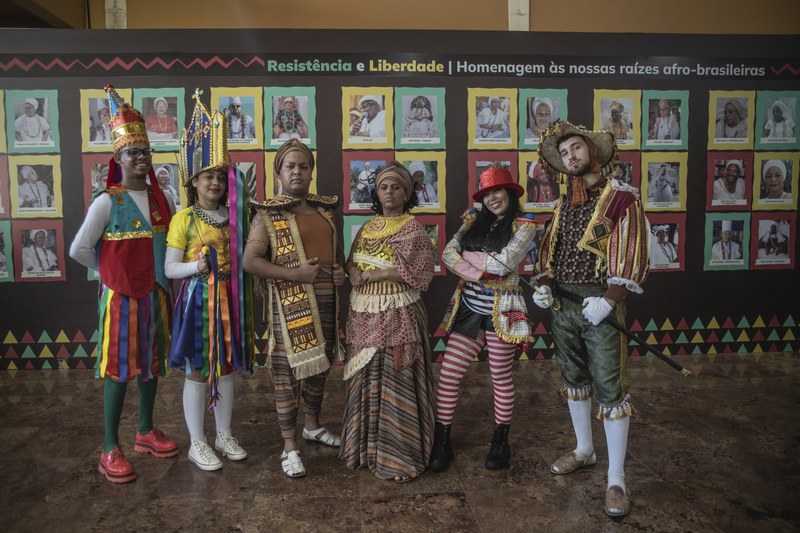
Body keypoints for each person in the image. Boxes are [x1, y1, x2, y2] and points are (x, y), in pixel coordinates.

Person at [532, 121, 649, 517]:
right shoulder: (564, 203)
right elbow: (553, 251)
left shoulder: (621, 199)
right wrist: (545, 284)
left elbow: (631, 252)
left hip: (599, 306)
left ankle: (616, 478)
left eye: (576, 149)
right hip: (563, 308)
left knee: (611, 389)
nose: (570, 157)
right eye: (564, 154)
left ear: (593, 153)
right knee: (573, 378)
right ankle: (584, 450)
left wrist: (609, 299)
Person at [69, 85, 177, 483]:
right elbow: (80, 249)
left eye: (145, 153)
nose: (141, 159)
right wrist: (108, 276)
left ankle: (145, 430)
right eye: (133, 153)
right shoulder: (106, 202)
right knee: (118, 371)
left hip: (156, 296)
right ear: (119, 157)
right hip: (122, 299)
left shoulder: (159, 200)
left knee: (151, 368)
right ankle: (109, 446)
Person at [242, 139, 345, 478]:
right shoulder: (268, 214)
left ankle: (312, 426)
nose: (297, 171)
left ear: (311, 172)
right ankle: (289, 446)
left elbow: (331, 257)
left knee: (320, 368)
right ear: (279, 173)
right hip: (289, 311)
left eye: (304, 166)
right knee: (288, 376)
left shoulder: (325, 211)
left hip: (327, 305)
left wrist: (340, 271)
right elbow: (250, 261)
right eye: (291, 166)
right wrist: (294, 274)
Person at [166, 91, 255, 472]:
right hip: (198, 301)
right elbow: (170, 268)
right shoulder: (183, 219)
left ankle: (224, 433)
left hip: (229, 298)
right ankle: (197, 442)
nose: (215, 182)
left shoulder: (236, 217)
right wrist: (197, 269)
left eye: (220, 175)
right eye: (207, 176)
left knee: (228, 365)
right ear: (194, 180)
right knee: (198, 369)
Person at [429, 166, 537, 473]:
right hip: (468, 308)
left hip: (503, 309)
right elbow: (448, 254)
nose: (492, 199)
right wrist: (480, 269)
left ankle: (501, 441)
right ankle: (442, 441)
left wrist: (471, 259)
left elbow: (506, 263)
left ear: (511, 193)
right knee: (449, 373)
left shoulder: (524, 225)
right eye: (487, 194)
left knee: (500, 375)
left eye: (498, 192)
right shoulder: (473, 221)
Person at [339, 162, 435, 482]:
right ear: (375, 193)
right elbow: (352, 260)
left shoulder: (413, 228)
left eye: (396, 187)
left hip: (398, 310)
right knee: (365, 377)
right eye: (384, 187)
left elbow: (420, 271)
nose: (389, 192)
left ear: (407, 193)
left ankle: (398, 455)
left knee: (397, 378)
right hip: (364, 310)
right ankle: (364, 449)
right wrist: (353, 271)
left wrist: (377, 274)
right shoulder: (368, 227)